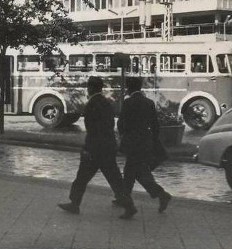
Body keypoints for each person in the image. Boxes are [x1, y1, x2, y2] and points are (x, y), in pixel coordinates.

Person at [58, 76, 137, 219]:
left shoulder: (91, 104)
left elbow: (92, 130)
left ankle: (74, 203)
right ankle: (129, 205)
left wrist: (87, 148)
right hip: (108, 146)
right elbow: (109, 125)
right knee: (115, 179)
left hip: (95, 149)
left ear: (90, 88)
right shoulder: (106, 103)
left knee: (82, 177)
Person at [117, 76, 172, 213]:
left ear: (129, 88)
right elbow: (155, 126)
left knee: (133, 174)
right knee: (135, 173)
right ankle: (125, 199)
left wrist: (123, 135)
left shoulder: (128, 103)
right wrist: (152, 141)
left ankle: (158, 195)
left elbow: (121, 124)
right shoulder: (149, 103)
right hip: (146, 143)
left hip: (133, 143)